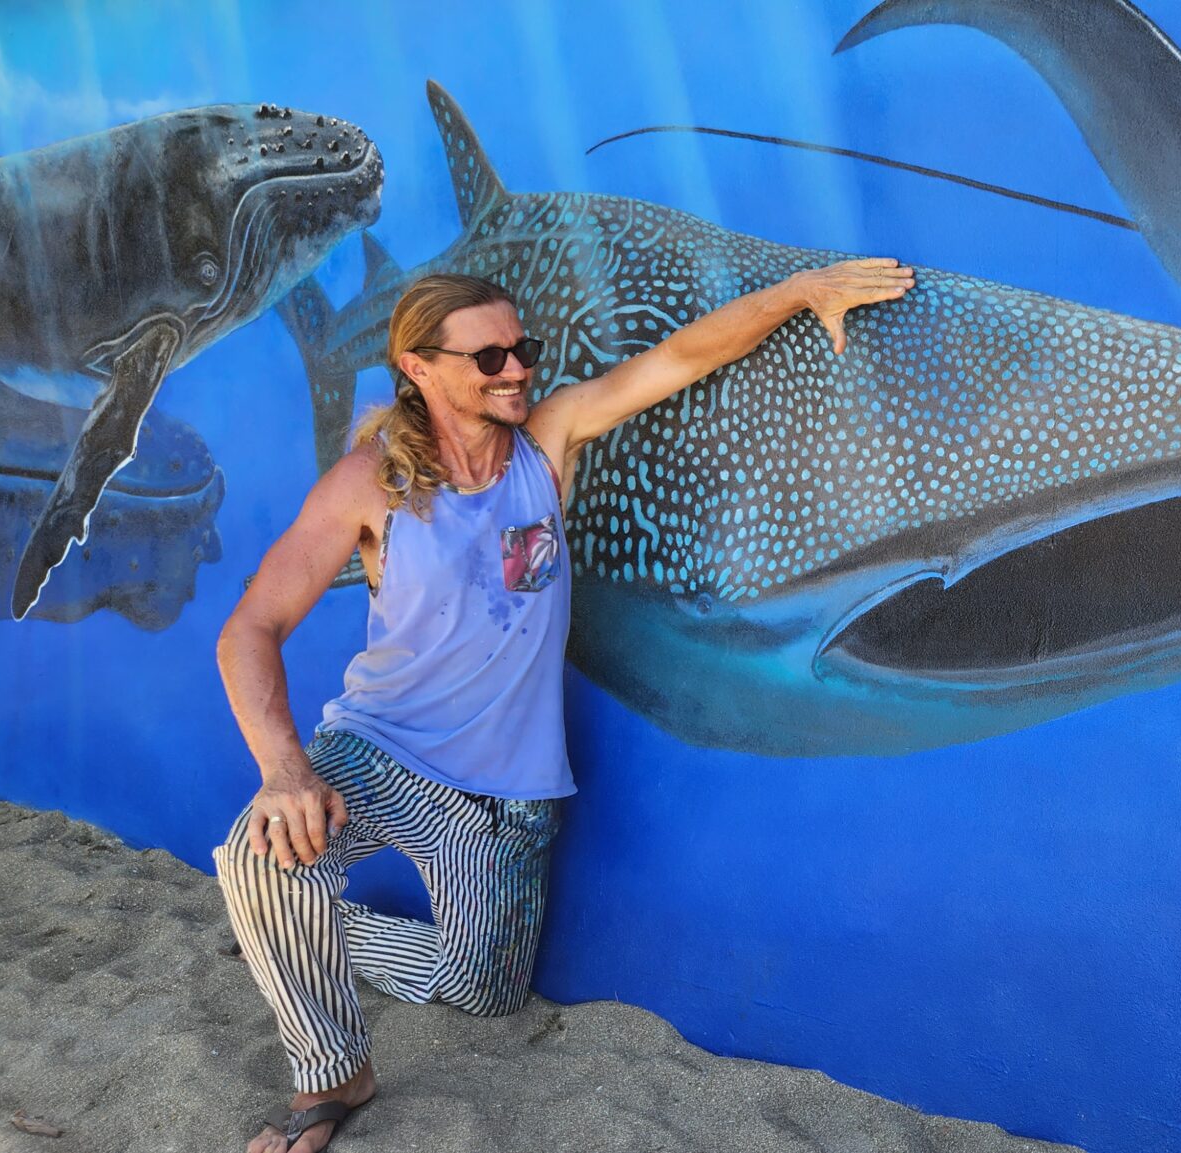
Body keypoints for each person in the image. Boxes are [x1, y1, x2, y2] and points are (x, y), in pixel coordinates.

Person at [214, 258, 915, 1153]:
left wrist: (795, 295)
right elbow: (251, 627)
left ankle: (316, 936)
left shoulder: (548, 444)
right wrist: (282, 769)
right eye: (489, 357)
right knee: (261, 852)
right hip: (381, 750)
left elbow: (677, 358)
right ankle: (334, 1072)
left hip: (506, 797)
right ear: (420, 367)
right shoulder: (372, 483)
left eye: (523, 348)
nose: (516, 370)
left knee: (484, 989)